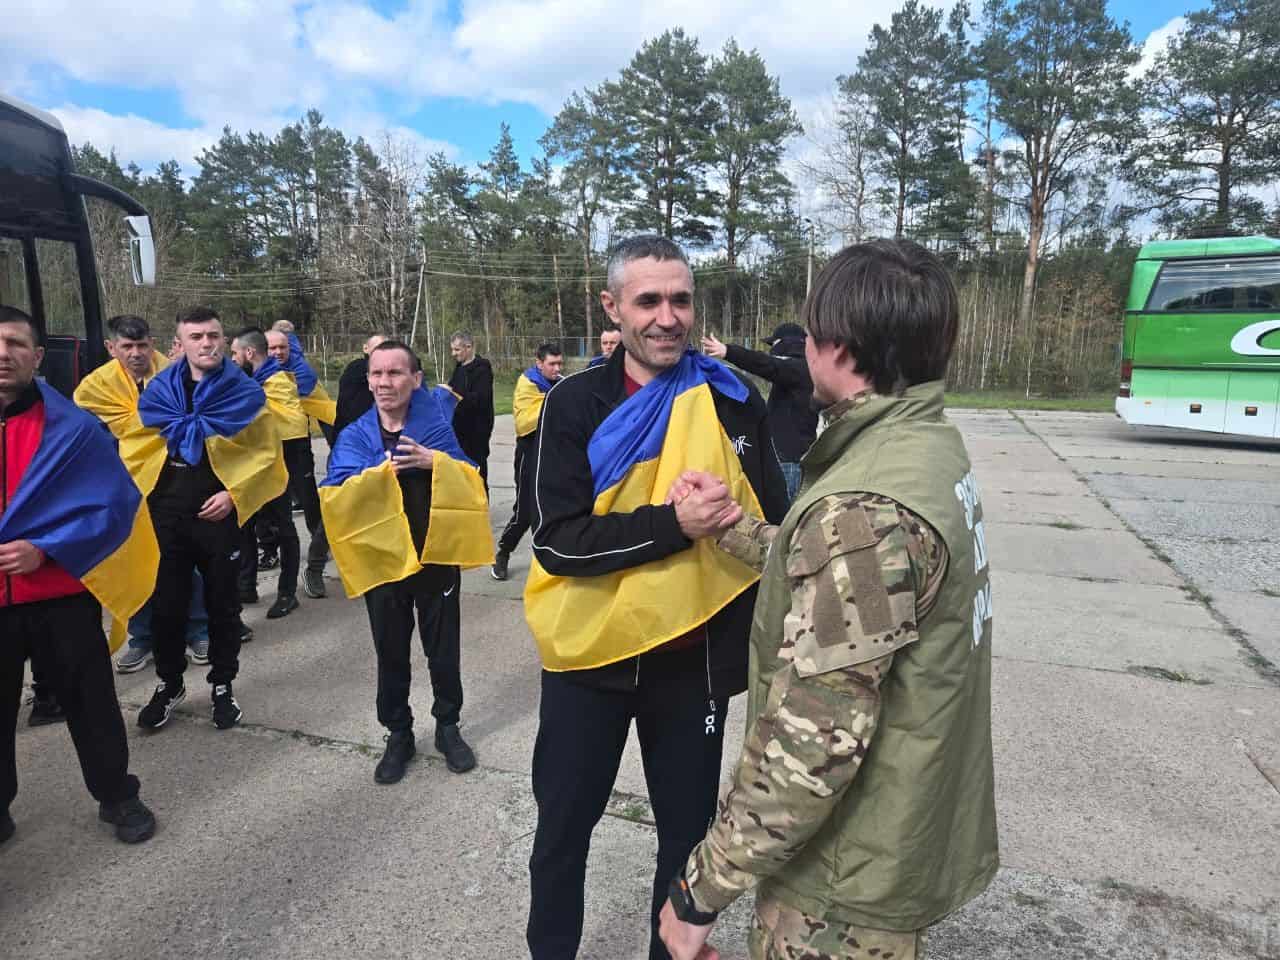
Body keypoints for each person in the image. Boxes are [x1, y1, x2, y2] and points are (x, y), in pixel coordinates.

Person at [657, 240, 997, 960]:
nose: (804, 347)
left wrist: (700, 891)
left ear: (838, 349)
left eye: (809, 333)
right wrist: (732, 526)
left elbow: (812, 747)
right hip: (895, 835)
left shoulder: (864, 508)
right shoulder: (924, 447)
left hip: (844, 882)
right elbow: (861, 587)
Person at [522, 236, 789, 960]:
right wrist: (674, 525)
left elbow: (774, 532)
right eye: (648, 301)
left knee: (685, 843)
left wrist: (733, 521)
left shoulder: (736, 400)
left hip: (690, 663)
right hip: (590, 661)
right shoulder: (574, 403)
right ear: (611, 307)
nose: (667, 317)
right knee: (562, 837)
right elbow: (556, 541)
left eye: (680, 299)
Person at [0, 305, 158, 845]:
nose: (4, 354)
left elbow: (114, 506)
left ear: (37, 356)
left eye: (17, 344)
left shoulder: (74, 429)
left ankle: (117, 795)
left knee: (91, 704)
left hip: (59, 593)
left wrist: (45, 549)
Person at [319, 341, 494, 783]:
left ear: (416, 380)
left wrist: (436, 462)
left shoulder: (435, 427)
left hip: (436, 557)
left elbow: (472, 480)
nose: (383, 383)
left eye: (395, 374)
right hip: (383, 561)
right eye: (376, 374)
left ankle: (448, 727)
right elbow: (334, 495)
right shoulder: (356, 434)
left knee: (443, 649)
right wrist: (378, 474)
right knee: (390, 651)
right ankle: (398, 733)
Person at [137, 306, 287, 732]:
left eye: (214, 335)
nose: (207, 343)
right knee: (166, 605)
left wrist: (234, 494)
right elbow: (140, 443)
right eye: (197, 336)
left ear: (224, 340)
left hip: (218, 512)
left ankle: (223, 685)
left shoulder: (243, 392)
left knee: (223, 605)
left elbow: (265, 455)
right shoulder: (160, 390)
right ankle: (169, 683)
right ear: (179, 343)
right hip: (166, 510)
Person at [73, 313, 212, 673]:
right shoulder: (94, 387)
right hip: (123, 487)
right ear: (111, 347)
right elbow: (87, 438)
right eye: (127, 346)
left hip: (172, 482)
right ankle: (142, 637)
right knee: (134, 560)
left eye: (143, 345)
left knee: (182, 559)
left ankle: (197, 630)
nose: (136, 353)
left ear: (153, 343)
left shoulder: (177, 375)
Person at [231, 328, 301, 620]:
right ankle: (246, 586)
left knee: (284, 528)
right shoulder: (250, 382)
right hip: (249, 468)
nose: (232, 359)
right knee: (244, 524)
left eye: (235, 354)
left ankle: (287, 593)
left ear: (249, 353)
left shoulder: (278, 381)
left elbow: (292, 423)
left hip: (276, 468)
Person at [702, 322, 816, 502]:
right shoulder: (798, 373)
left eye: (774, 344)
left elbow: (766, 364)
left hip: (789, 462)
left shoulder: (799, 369)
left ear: (787, 343)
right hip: (788, 460)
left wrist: (728, 351)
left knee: (784, 522)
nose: (772, 350)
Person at [266, 328, 330, 600]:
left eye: (283, 348)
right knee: (269, 501)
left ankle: (318, 545)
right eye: (273, 349)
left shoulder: (302, 370)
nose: (279, 353)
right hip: (268, 446)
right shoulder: (253, 369)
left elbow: (293, 398)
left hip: (297, 444)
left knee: (307, 496)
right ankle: (268, 550)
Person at [491, 341, 562, 582]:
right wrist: (555, 400)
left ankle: (545, 560)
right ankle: (503, 553)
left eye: (559, 363)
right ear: (539, 363)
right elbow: (523, 422)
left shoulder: (560, 385)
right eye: (552, 364)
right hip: (529, 453)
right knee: (525, 511)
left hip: (552, 453)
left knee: (551, 508)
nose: (556, 368)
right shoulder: (527, 384)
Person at [446, 331, 495, 490]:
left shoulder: (482, 369)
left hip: (476, 430)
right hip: (458, 428)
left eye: (457, 350)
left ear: (469, 347)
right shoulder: (459, 368)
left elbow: (480, 398)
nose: (453, 354)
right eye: (452, 350)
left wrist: (456, 395)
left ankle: (481, 508)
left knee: (477, 470)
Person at [334, 334, 388, 437]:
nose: (384, 352)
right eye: (379, 348)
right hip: (352, 434)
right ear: (365, 348)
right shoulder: (358, 367)